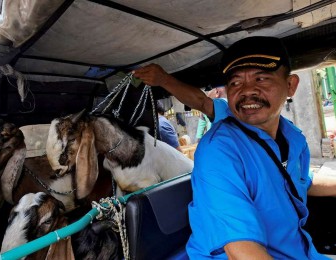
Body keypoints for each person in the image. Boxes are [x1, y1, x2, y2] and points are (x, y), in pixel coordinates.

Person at [133, 36, 336, 259]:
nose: (248, 91)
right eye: (235, 82)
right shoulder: (220, 147)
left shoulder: (293, 137)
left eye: (261, 78)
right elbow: (242, 251)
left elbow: (301, 181)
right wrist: (162, 79)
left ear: (290, 85)